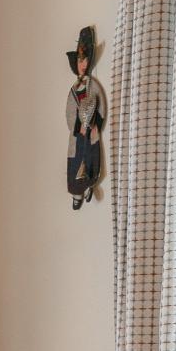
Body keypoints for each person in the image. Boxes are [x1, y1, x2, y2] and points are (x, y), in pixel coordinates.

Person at [65, 25, 106, 211]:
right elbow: (70, 111)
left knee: (90, 157)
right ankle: (77, 193)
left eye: (85, 60)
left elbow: (101, 105)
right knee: (75, 161)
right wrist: (77, 127)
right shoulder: (74, 90)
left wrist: (96, 123)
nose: (82, 64)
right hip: (78, 131)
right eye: (80, 60)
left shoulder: (93, 86)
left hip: (91, 129)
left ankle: (90, 184)